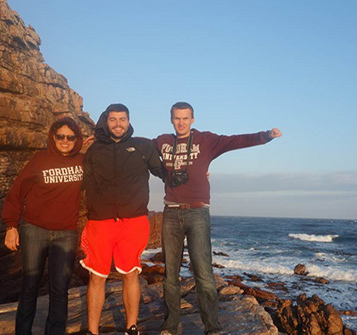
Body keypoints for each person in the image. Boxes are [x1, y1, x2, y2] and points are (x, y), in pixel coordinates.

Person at [153, 102, 282, 335]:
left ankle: (212, 328)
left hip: (198, 212)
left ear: (193, 119)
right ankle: (170, 326)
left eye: (185, 118)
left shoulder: (206, 140)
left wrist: (265, 136)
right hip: (171, 212)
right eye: (176, 118)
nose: (181, 122)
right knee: (170, 275)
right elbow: (136, 150)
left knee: (204, 274)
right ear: (171, 119)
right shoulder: (162, 141)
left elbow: (235, 141)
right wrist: (99, 140)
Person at [80, 103, 164, 335]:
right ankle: (92, 331)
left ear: (129, 121)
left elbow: (163, 171)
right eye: (113, 119)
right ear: (106, 122)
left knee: (131, 273)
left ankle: (131, 327)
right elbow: (83, 182)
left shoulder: (143, 146)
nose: (118, 124)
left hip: (133, 221)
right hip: (100, 221)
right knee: (97, 276)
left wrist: (196, 173)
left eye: (122, 119)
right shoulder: (95, 150)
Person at [2, 117, 84, 335]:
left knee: (60, 290)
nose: (65, 141)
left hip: (66, 234)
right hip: (34, 230)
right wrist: (11, 226)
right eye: (61, 136)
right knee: (29, 286)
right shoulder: (40, 160)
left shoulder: (83, 161)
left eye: (70, 137)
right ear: (53, 137)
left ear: (77, 139)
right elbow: (17, 192)